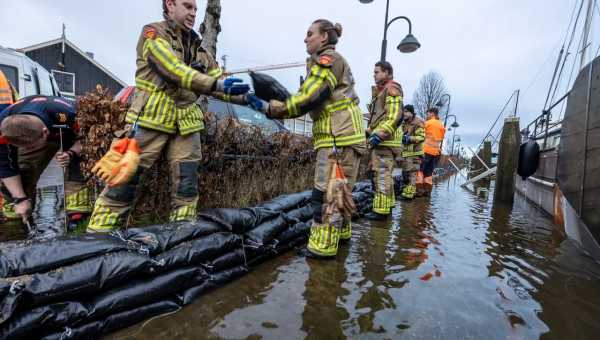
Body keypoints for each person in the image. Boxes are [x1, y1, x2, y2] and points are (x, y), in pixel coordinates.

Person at [87, 0, 251, 232]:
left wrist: (250, 99)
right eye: (187, 6)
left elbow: (219, 84)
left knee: (186, 190)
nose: (194, 13)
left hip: (187, 124)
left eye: (195, 9)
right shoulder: (153, 34)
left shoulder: (201, 51)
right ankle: (96, 242)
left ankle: (179, 241)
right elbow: (171, 69)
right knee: (123, 185)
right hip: (149, 119)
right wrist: (217, 84)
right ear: (170, 5)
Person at [246, 20, 366, 259]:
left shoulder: (327, 60)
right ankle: (340, 239)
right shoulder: (330, 62)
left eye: (310, 34)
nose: (305, 39)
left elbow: (308, 98)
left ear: (324, 37)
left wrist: (269, 108)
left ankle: (321, 251)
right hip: (343, 137)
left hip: (336, 138)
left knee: (326, 195)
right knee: (340, 192)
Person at [0, 95, 92, 225]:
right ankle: (16, 215)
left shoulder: (72, 113)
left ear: (45, 132)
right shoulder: (4, 126)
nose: (26, 149)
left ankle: (78, 212)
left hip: (71, 130)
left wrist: (71, 153)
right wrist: (19, 198)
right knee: (24, 168)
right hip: (40, 129)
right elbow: (5, 166)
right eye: (22, 147)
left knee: (79, 165)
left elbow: (89, 139)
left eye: (30, 146)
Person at [363, 61, 403, 221]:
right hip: (384, 141)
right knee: (385, 175)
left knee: (381, 175)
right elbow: (380, 117)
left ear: (386, 73)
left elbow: (394, 116)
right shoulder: (382, 91)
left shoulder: (391, 89)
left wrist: (379, 134)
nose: (374, 75)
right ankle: (388, 204)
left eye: (376, 72)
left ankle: (381, 211)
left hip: (385, 142)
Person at [416, 107, 446, 196]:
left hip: (425, 150)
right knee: (429, 172)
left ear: (432, 113)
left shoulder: (427, 123)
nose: (427, 116)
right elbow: (441, 138)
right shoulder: (442, 126)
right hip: (435, 152)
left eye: (428, 114)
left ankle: (418, 191)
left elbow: (421, 135)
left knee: (420, 171)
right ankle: (427, 192)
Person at [399, 104, 425, 200]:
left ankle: (409, 195)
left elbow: (422, 137)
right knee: (406, 174)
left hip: (415, 154)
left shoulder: (418, 122)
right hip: (408, 153)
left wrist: (408, 139)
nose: (404, 113)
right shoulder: (404, 123)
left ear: (411, 113)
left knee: (411, 175)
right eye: (403, 111)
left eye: (406, 112)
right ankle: (407, 192)